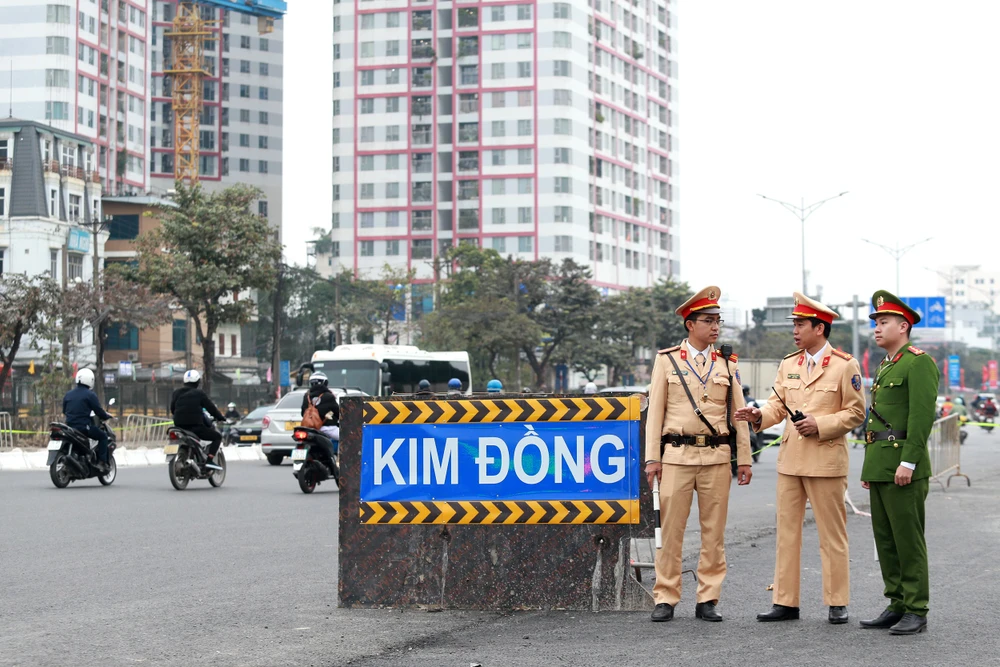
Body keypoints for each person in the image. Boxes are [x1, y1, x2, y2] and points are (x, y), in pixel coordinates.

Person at [735, 292, 865, 625]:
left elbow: (855, 412)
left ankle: (837, 601)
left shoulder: (845, 364)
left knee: (832, 535)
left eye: (800, 324)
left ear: (819, 328)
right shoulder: (789, 363)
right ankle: (785, 602)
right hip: (791, 461)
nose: (794, 330)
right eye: (794, 324)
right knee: (786, 534)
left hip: (826, 461)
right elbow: (777, 406)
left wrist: (820, 424)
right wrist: (759, 415)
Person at [645, 286, 753, 624]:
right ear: (690, 324)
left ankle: (708, 598)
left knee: (714, 533)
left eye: (718, 321)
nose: (715, 326)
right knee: (670, 532)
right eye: (708, 320)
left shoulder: (727, 363)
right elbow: (655, 413)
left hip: (717, 458)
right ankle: (666, 596)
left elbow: (739, 413)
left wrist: (744, 458)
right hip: (676, 456)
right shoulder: (667, 360)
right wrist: (652, 458)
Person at [860, 291, 939, 635]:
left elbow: (921, 418)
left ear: (903, 326)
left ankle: (916, 608)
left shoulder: (918, 362)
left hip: (904, 466)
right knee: (886, 540)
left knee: (908, 539)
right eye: (876, 323)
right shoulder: (886, 365)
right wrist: (870, 467)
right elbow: (877, 422)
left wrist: (909, 462)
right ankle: (896, 603)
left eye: (883, 322)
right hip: (881, 465)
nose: (876, 328)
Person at [170, 369, 226, 470]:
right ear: (197, 382)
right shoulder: (199, 393)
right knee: (217, 437)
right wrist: (220, 417)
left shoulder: (176, 393)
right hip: (195, 427)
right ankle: (209, 460)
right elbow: (210, 408)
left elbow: (172, 409)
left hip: (179, 426)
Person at [62, 368, 113, 473]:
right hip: (83, 427)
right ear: (90, 380)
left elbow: (64, 410)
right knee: (103, 436)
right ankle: (102, 463)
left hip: (69, 427)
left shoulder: (68, 394)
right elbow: (98, 411)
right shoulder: (90, 395)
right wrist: (106, 416)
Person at [300, 372, 340, 458]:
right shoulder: (328, 396)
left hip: (310, 429)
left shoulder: (307, 396)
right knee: (346, 437)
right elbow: (338, 412)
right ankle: (340, 460)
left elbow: (303, 413)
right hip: (327, 428)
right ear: (324, 383)